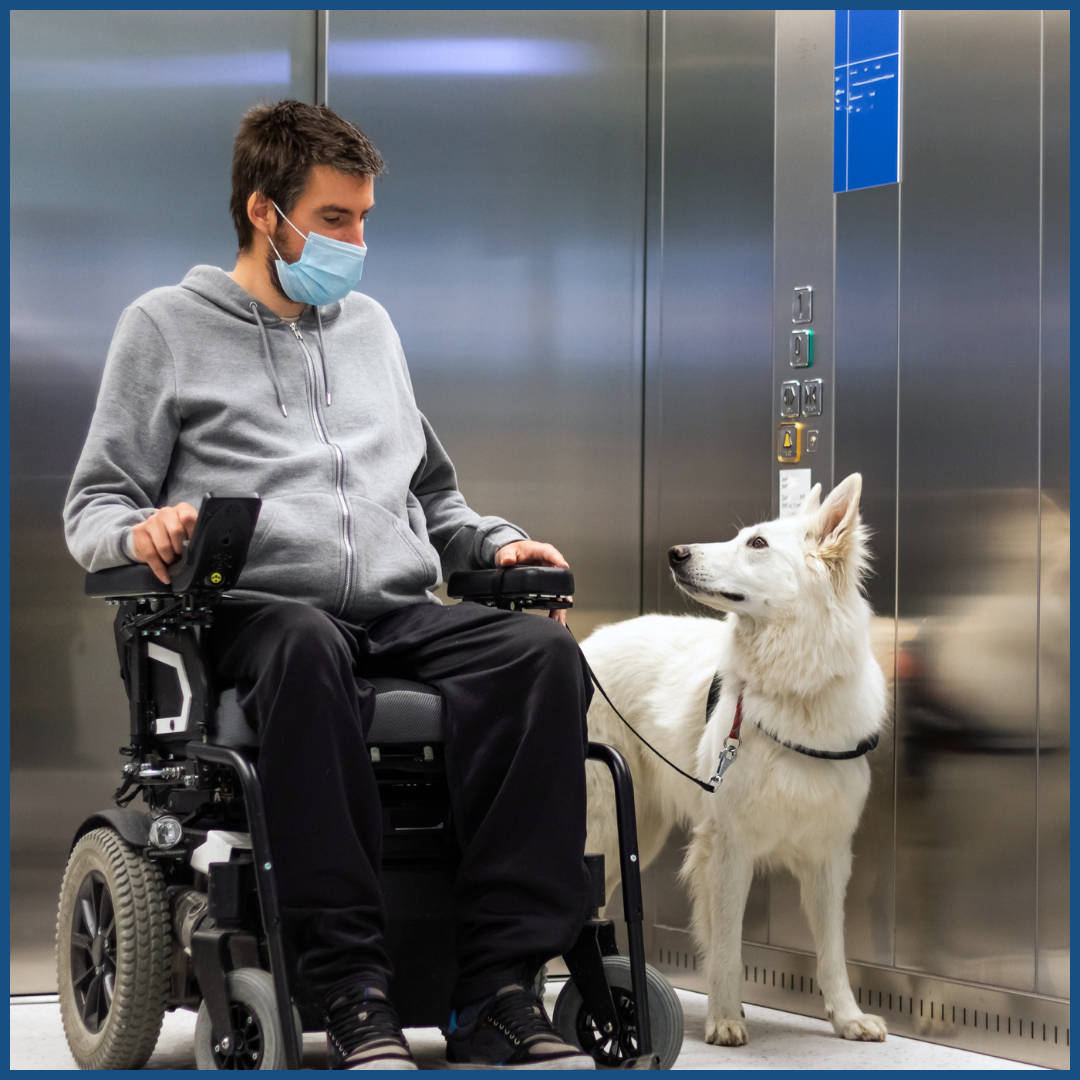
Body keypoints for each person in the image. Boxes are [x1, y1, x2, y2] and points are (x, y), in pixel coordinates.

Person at [63, 99, 595, 1071]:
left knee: (540, 654)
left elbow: (432, 491)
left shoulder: (371, 331)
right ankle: (351, 987)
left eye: (364, 219)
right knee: (307, 646)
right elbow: (94, 503)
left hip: (395, 608)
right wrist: (142, 530)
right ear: (267, 213)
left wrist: (499, 543)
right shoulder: (165, 329)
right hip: (258, 613)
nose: (356, 242)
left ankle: (499, 990)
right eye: (337, 219)